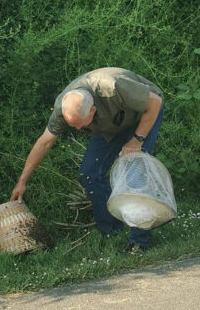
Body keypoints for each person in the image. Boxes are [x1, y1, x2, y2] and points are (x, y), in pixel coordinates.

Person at [10, 67, 165, 253]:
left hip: (144, 114)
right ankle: (112, 231)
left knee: (135, 173)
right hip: (111, 123)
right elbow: (44, 142)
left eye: (78, 124)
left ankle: (139, 241)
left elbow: (155, 103)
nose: (76, 129)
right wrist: (22, 181)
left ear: (92, 110)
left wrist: (137, 140)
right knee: (90, 173)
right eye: (71, 124)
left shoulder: (114, 87)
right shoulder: (65, 107)